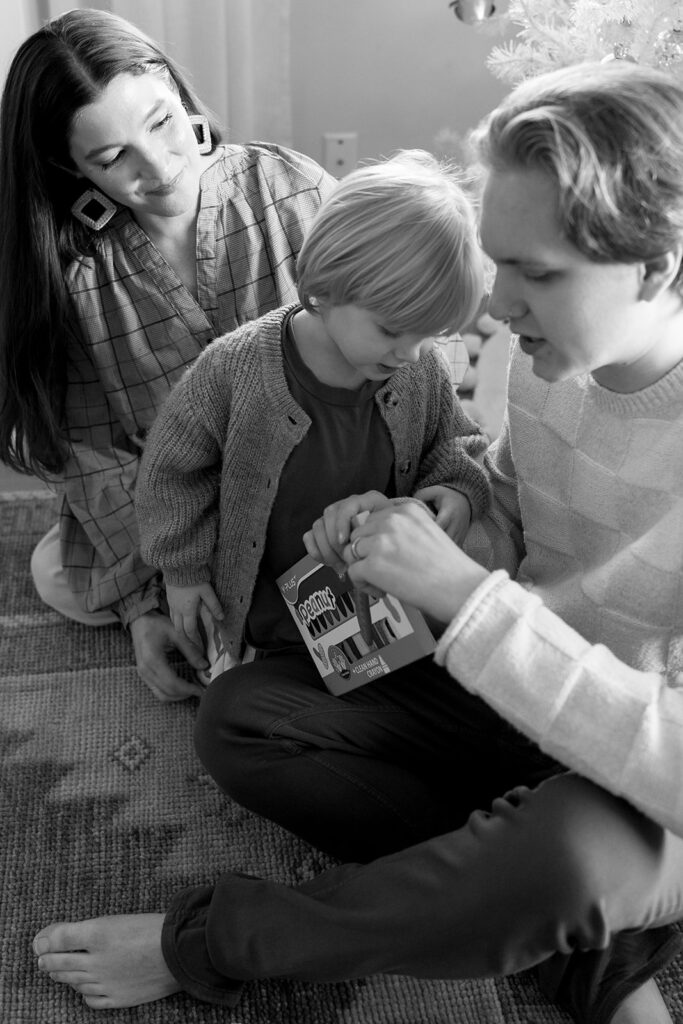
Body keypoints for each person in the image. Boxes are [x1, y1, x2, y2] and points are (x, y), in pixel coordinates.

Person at [31, 59, 683, 1024]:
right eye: (498, 264)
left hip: (639, 773)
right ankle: (513, 906)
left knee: (567, 857)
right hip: (512, 701)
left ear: (657, 263)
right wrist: (443, 518)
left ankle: (223, 942)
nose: (493, 310)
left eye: (534, 274)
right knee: (241, 718)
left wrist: (463, 595)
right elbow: (504, 491)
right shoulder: (552, 359)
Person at [0, 8, 336, 702]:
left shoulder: (291, 189)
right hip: (186, 513)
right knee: (56, 571)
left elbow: (393, 338)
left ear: (178, 94)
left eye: (161, 122)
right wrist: (145, 607)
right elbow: (96, 454)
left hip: (323, 479)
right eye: (112, 157)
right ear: (69, 167)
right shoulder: (75, 275)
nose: (158, 168)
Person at [133, 149, 490, 685]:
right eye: (394, 330)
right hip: (260, 611)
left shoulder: (417, 372)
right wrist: (182, 573)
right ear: (323, 284)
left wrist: (458, 492)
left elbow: (454, 445)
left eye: (430, 335)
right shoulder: (236, 366)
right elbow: (171, 473)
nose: (412, 353)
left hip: (374, 610)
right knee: (232, 706)